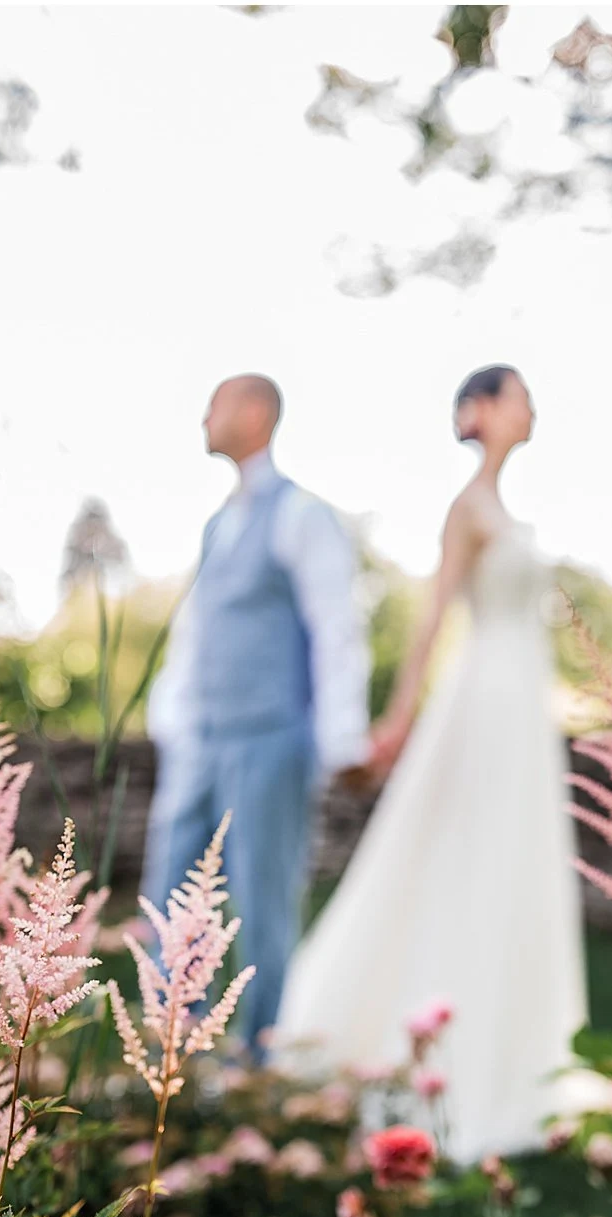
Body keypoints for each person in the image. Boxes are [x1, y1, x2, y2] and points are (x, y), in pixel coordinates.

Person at [273, 365, 604, 1162]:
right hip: (483, 698)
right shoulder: (467, 510)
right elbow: (432, 613)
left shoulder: (507, 510)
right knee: (467, 860)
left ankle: (518, 1062)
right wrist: (398, 713)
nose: (531, 409)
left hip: (524, 703)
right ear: (481, 409)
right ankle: (431, 1056)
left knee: (516, 865)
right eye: (520, 395)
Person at [143, 374, 371, 1050]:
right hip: (201, 738)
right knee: (171, 894)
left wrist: (342, 738)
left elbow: (336, 628)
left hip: (273, 736)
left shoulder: (302, 515)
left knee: (263, 899)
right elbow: (196, 631)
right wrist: (173, 718)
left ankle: (259, 1055)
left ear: (255, 413)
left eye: (214, 403)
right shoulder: (217, 524)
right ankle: (173, 1049)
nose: (203, 416)